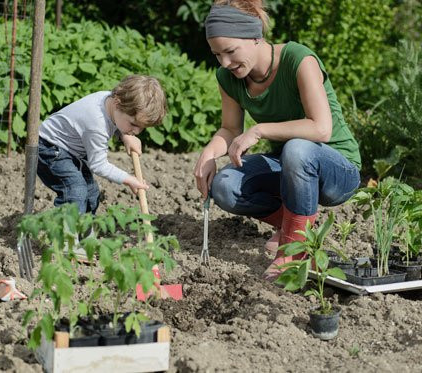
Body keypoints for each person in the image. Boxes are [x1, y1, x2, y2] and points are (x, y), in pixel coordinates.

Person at [194, 0, 362, 280]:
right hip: (291, 167)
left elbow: (321, 129)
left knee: (297, 149)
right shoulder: (228, 77)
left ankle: (295, 251)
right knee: (225, 186)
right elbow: (229, 129)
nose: (225, 62)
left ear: (256, 36)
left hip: (337, 170)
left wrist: (260, 130)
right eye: (217, 55)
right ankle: (296, 226)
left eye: (231, 51)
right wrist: (209, 154)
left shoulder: (299, 60)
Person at [37, 74, 167, 214]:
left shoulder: (111, 101)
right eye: (134, 124)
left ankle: (85, 233)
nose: (137, 131)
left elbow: (116, 121)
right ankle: (67, 234)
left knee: (91, 194)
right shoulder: (96, 124)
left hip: (71, 152)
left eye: (142, 127)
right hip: (50, 149)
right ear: (118, 103)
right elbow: (98, 165)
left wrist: (124, 136)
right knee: (75, 191)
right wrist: (128, 179)